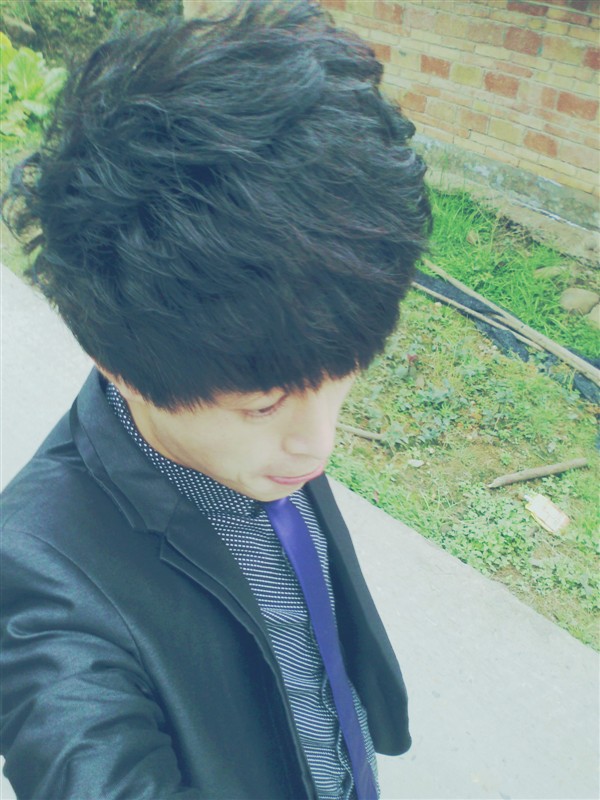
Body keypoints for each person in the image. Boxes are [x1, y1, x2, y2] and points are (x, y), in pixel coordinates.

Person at [0, 2, 431, 797]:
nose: (318, 444)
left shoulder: (261, 368)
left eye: (345, 378)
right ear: (118, 366)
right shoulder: (37, 573)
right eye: (262, 406)